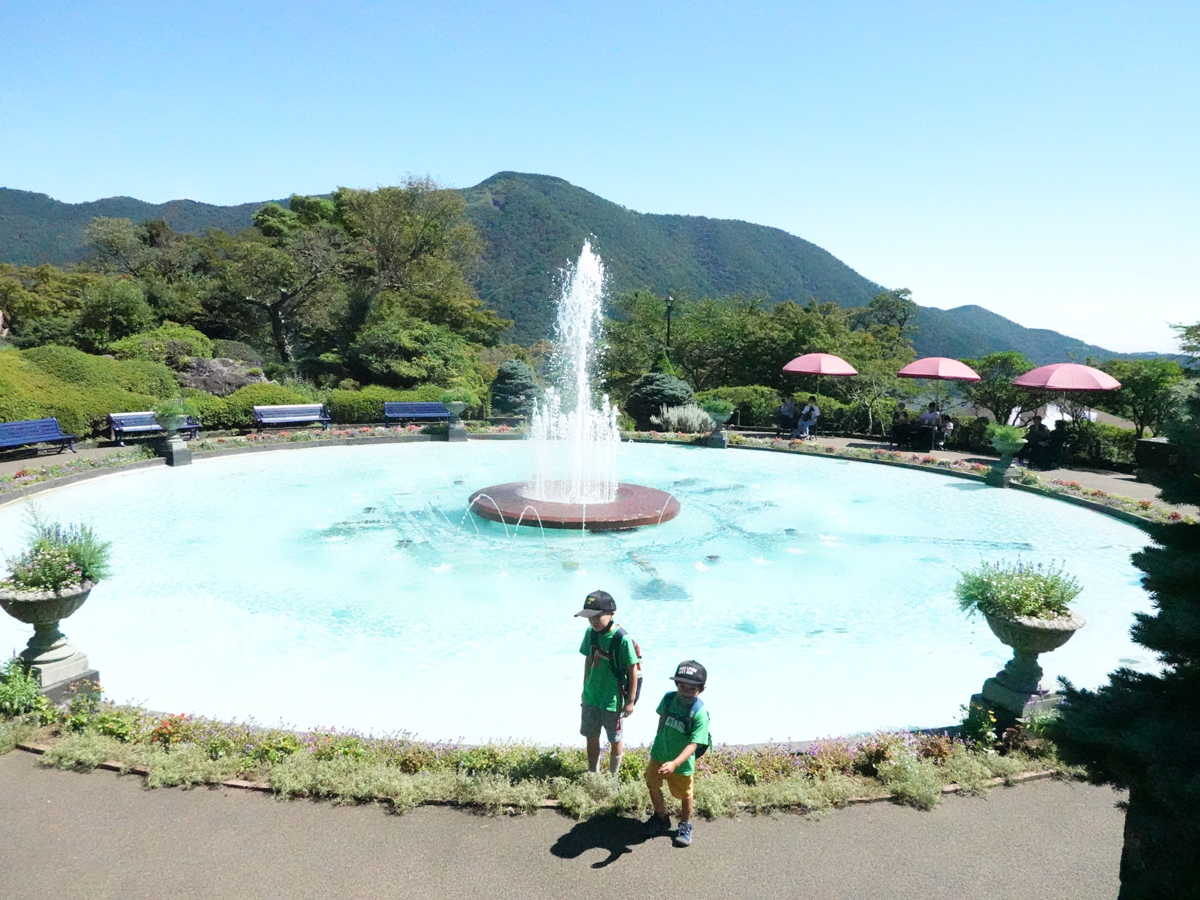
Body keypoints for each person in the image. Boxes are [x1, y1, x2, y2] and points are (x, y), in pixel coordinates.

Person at [644, 660, 711, 847]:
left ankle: (685, 824)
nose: (686, 692)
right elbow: (662, 720)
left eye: (692, 689)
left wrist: (675, 763)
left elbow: (694, 744)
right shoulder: (668, 699)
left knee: (685, 794)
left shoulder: (699, 713)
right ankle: (661, 817)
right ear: (676, 685)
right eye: (683, 686)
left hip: (681, 764)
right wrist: (657, 741)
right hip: (659, 754)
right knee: (652, 783)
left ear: (701, 689)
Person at [576, 590, 640, 776]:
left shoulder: (622, 639)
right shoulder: (591, 633)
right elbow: (588, 660)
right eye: (589, 617)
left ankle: (613, 776)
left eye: (597, 616)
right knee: (591, 736)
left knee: (615, 739)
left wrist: (630, 701)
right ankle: (592, 772)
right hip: (591, 697)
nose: (593, 621)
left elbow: (632, 669)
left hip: (613, 700)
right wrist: (584, 686)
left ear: (612, 613)